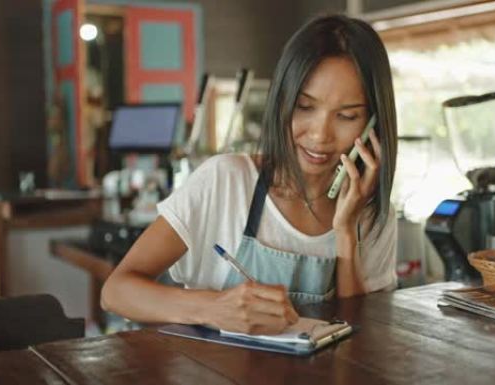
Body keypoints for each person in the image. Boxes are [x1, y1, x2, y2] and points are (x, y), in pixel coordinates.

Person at [101, 15, 398, 335]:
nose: (320, 135)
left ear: (372, 125)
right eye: (304, 106)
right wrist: (213, 308)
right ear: (281, 100)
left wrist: (345, 233)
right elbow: (116, 292)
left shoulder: (373, 214)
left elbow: (361, 333)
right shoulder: (224, 180)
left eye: (347, 116)